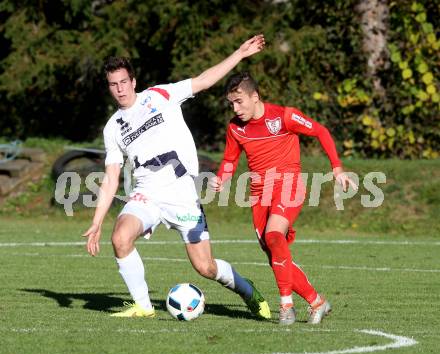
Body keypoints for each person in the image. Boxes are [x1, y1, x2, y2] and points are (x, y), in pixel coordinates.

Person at [83, 36, 271, 320]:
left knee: (205, 267)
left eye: (123, 82)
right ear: (109, 87)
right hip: (147, 195)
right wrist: (97, 222)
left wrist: (239, 54)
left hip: (182, 195)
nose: (119, 89)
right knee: (120, 238)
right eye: (113, 84)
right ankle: (144, 306)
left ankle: (248, 290)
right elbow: (111, 177)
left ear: (133, 81)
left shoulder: (161, 94)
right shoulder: (113, 128)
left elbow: (205, 81)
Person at [209, 72, 357, 325]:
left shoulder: (284, 116)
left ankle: (286, 305)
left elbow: (320, 131)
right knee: (275, 253)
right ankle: (317, 302)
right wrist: (222, 178)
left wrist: (337, 168)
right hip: (259, 195)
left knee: (274, 235)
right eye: (231, 103)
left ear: (255, 96)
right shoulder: (235, 128)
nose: (235, 108)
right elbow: (230, 160)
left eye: (239, 101)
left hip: (289, 186)